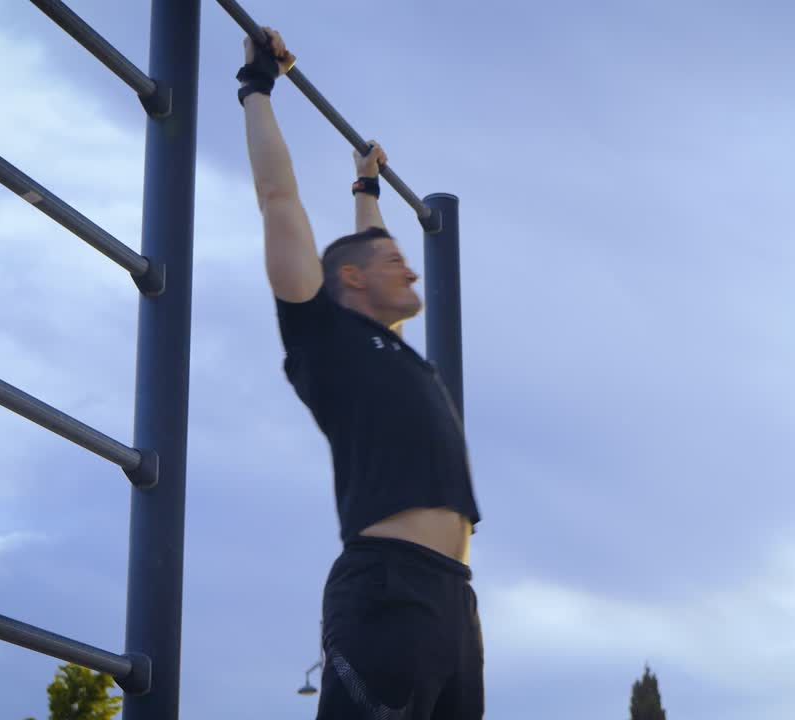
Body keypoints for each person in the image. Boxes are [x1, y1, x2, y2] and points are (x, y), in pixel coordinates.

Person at [237, 27, 484, 719]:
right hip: (387, 593)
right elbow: (277, 197)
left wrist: (365, 186)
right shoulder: (323, 337)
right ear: (350, 279)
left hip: (453, 601)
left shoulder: (387, 349)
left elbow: (369, 255)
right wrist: (258, 87)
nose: (412, 270)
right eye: (396, 262)